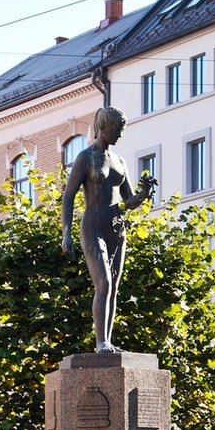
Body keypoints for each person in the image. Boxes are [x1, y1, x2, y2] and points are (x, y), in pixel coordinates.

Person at [61, 105, 158, 352]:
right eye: (117, 129)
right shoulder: (87, 157)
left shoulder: (120, 162)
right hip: (92, 226)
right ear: (103, 127)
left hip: (116, 227)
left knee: (113, 286)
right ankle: (100, 342)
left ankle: (108, 341)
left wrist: (144, 193)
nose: (120, 135)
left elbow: (129, 202)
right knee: (102, 282)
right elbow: (68, 196)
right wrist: (66, 232)